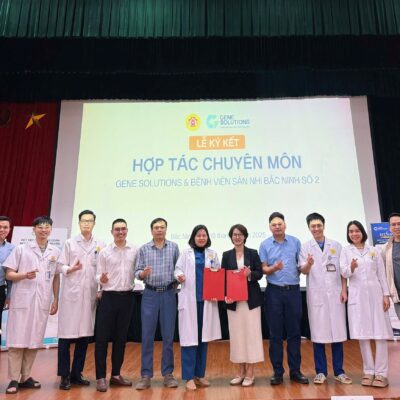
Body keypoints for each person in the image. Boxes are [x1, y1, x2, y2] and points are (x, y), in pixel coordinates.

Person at [4, 216, 60, 394]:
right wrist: (24, 275)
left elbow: (56, 277)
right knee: (17, 341)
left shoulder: (55, 251)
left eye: (47, 227)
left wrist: (56, 299)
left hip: (42, 301)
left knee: (34, 340)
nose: (44, 230)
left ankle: (25, 376)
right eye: (40, 227)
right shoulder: (21, 249)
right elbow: (9, 274)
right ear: (33, 229)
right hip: (22, 300)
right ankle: (14, 379)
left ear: (51, 230)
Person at [299, 213, 351, 385]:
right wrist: (309, 263)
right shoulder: (305, 247)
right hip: (317, 295)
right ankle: (320, 371)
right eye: (313, 226)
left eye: (319, 225)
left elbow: (343, 271)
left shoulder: (336, 245)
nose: (316, 229)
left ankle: (339, 371)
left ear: (324, 225)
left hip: (335, 294)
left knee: (337, 333)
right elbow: (303, 270)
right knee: (318, 334)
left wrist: (344, 290)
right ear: (309, 228)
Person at [340, 220, 392, 388]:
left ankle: (382, 374)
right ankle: (368, 372)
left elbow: (382, 274)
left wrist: (386, 295)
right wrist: (351, 267)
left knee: (380, 334)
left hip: (376, 295)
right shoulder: (346, 251)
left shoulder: (374, 250)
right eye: (351, 231)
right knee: (363, 335)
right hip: (358, 296)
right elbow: (343, 272)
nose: (354, 234)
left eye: (357, 230)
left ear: (362, 232)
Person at [57, 210, 105, 390]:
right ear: (79, 223)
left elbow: (102, 269)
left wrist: (100, 288)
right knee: (65, 337)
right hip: (71, 296)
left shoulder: (100, 244)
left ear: (94, 223)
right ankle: (64, 376)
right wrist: (71, 268)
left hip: (89, 295)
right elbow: (60, 265)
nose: (86, 224)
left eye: (90, 221)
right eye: (83, 221)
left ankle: (76, 373)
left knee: (84, 336)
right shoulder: (70, 243)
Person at [259, 212, 308, 385]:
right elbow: (263, 269)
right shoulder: (265, 244)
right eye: (274, 224)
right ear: (270, 227)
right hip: (274, 292)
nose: (277, 227)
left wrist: (308, 265)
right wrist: (274, 268)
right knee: (275, 334)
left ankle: (295, 371)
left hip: (293, 291)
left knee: (294, 332)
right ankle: (277, 372)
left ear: (285, 225)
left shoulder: (295, 242)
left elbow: (300, 267)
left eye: (280, 224)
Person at [174, 225, 221, 390]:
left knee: (203, 339)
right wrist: (179, 276)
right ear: (193, 237)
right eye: (198, 235)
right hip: (190, 301)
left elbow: (217, 273)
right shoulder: (185, 253)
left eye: (204, 235)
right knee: (189, 340)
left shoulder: (212, 254)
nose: (201, 238)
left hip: (206, 302)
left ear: (207, 237)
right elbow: (177, 269)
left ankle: (199, 375)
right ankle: (188, 377)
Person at [135, 217, 179, 390]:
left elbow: (178, 270)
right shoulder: (144, 249)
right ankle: (146, 375)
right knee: (147, 336)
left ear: (166, 229)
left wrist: (177, 280)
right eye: (156, 227)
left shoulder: (174, 247)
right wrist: (142, 274)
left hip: (168, 294)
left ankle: (168, 374)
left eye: (162, 227)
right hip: (150, 294)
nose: (159, 230)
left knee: (168, 336)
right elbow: (137, 272)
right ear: (151, 230)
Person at [94, 218, 139, 392]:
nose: (120, 232)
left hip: (127, 298)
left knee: (121, 339)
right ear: (111, 232)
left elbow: (138, 271)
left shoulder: (135, 250)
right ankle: (100, 377)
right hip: (109, 298)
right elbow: (97, 275)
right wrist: (102, 279)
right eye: (117, 229)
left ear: (127, 231)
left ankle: (115, 375)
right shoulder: (105, 252)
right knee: (102, 339)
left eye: (123, 229)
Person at [222, 224, 264, 387]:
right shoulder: (226, 255)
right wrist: (226, 295)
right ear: (231, 237)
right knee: (237, 336)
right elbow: (224, 278)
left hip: (251, 301)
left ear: (245, 236)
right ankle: (240, 372)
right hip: (234, 302)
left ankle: (250, 373)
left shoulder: (252, 253)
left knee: (252, 336)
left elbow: (259, 274)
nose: (237, 237)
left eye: (240, 234)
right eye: (234, 234)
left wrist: (250, 274)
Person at [380, 212, 400, 319]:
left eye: (399, 224)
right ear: (389, 227)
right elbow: (384, 272)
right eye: (393, 224)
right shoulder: (385, 248)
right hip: (397, 294)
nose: (397, 227)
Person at [0, 216, 15, 346]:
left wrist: (9, 295)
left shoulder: (12, 249)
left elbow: (11, 274)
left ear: (9, 229)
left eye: (5, 227)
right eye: (0, 227)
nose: (2, 230)